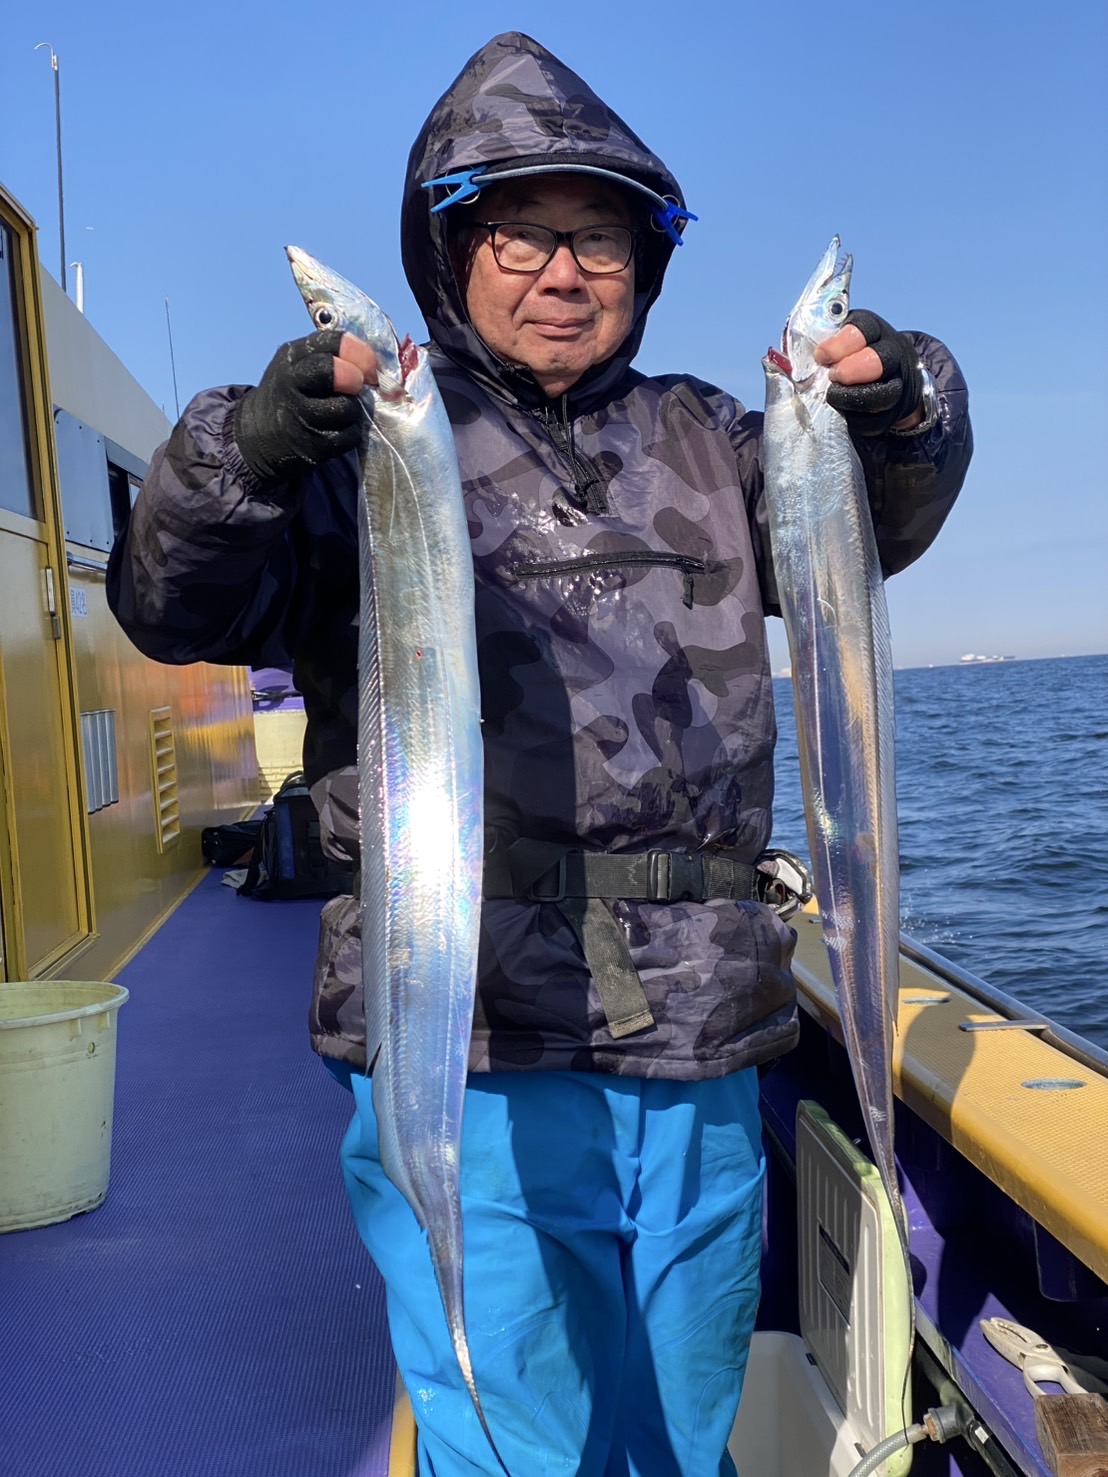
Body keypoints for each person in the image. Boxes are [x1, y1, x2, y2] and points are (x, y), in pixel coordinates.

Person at [108, 31, 971, 1477]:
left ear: (644, 264)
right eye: (523, 236)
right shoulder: (362, 454)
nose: (564, 272)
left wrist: (902, 403)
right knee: (512, 1429)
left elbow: (870, 527)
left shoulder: (717, 439)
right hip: (468, 1023)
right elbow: (167, 602)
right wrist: (246, 449)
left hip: (700, 1019)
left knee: (681, 1417)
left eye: (598, 239)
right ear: (455, 257)